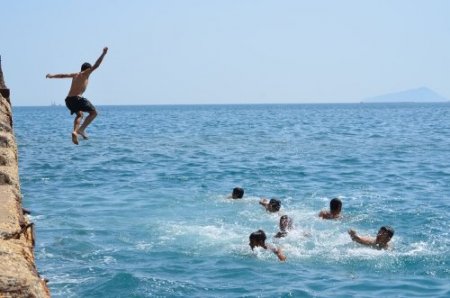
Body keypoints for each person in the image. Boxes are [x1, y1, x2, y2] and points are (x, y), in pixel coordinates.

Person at [46, 47, 108, 145]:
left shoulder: (75, 74)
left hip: (68, 100)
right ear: (87, 69)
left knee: (80, 114)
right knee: (94, 113)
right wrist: (103, 53)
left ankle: (75, 131)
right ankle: (81, 129)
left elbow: (62, 75)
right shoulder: (86, 73)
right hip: (77, 98)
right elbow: (96, 65)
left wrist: (51, 76)